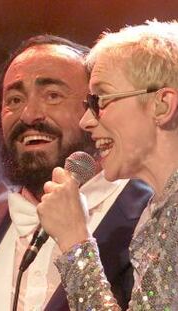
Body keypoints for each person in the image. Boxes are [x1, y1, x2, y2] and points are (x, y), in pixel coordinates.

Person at [0, 35, 152, 311]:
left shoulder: (153, 216)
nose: (29, 114)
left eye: (52, 95)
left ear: (97, 108)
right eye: (15, 99)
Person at [37, 21, 178, 310]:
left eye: (100, 100)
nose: (86, 121)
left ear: (161, 105)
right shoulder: (157, 212)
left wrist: (75, 241)